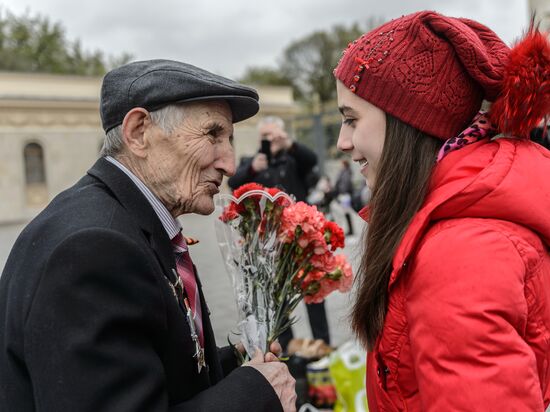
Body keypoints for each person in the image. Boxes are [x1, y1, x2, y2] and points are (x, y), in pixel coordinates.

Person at [0, 60, 296, 412]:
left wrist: (235, 362)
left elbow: (143, 364)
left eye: (229, 139)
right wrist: (256, 392)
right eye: (213, 135)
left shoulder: (123, 220)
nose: (229, 164)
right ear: (139, 132)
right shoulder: (94, 248)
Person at [333, 11, 550, 411]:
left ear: (407, 122)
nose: (342, 142)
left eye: (351, 119)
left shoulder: (459, 252)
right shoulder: (456, 222)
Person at [228, 116, 330, 351]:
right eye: (265, 136)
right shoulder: (251, 162)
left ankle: (320, 354)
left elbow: (312, 160)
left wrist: (289, 144)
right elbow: (234, 181)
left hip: (301, 243)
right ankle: (290, 356)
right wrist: (255, 166)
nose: (270, 141)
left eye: (274, 136)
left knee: (314, 299)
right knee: (279, 304)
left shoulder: (293, 159)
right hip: (269, 246)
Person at [333, 159, 355, 235]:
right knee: (346, 213)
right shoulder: (345, 172)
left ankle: (350, 230)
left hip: (344, 195)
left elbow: (344, 184)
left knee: (346, 213)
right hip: (344, 195)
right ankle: (350, 230)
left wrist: (341, 191)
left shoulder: (345, 173)